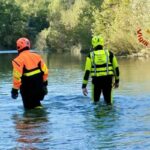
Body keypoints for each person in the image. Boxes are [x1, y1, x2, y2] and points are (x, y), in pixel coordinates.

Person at [11, 37, 48, 109]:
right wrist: (45, 85)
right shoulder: (37, 56)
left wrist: (14, 91)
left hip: (28, 90)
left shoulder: (17, 60)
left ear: (18, 47)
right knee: (37, 105)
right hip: (40, 88)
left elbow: (17, 77)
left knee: (29, 110)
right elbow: (45, 72)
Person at [82, 35, 120, 104]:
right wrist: (117, 81)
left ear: (93, 44)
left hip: (96, 81)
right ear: (102, 43)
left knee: (95, 103)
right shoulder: (109, 54)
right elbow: (116, 68)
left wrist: (84, 86)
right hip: (108, 80)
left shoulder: (90, 55)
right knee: (109, 104)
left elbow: (87, 72)